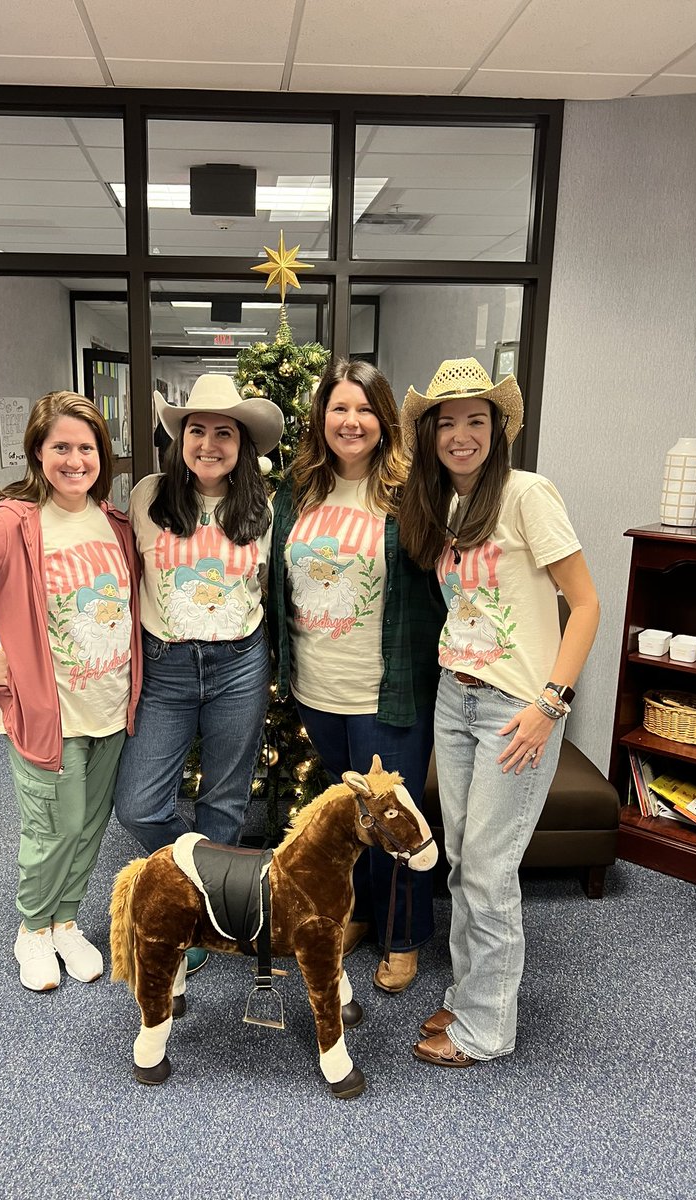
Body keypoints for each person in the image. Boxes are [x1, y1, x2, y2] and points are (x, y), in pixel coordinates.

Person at [398, 356, 600, 1068]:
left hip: (520, 708)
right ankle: (473, 991)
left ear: (497, 428)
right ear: (429, 436)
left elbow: (587, 603)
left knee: (488, 867)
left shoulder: (528, 494)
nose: (460, 434)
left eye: (474, 421)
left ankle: (489, 1031)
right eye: (447, 422)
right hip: (456, 698)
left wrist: (552, 703)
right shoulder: (445, 506)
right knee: (462, 862)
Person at [0, 391, 142, 993]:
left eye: (86, 448)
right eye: (60, 446)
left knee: (90, 825)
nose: (74, 459)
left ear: (102, 457)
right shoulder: (13, 524)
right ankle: (32, 931)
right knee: (52, 828)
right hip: (47, 712)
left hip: (111, 705)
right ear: (37, 453)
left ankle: (67, 922)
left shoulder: (114, 523)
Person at [269, 358, 446, 994]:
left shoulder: (409, 492)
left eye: (365, 409)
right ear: (321, 418)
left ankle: (403, 937)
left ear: (384, 420)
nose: (351, 421)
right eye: (339, 408)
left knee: (396, 814)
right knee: (353, 816)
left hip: (387, 691)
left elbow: (444, 579)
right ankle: (367, 915)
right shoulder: (298, 494)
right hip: (317, 688)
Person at [113, 375, 284, 971]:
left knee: (226, 800)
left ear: (243, 445)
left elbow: (275, 586)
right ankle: (202, 878)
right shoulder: (147, 497)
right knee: (137, 803)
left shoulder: (264, 508)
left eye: (224, 433)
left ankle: (205, 913)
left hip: (239, 663)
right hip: (167, 668)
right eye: (197, 430)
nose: (209, 443)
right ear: (180, 437)